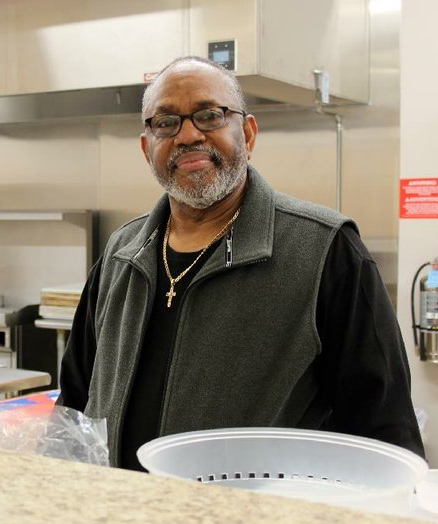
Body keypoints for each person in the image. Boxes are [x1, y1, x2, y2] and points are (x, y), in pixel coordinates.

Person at [56, 55, 425, 471]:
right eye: (166, 123)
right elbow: (74, 410)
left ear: (248, 134)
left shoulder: (327, 251)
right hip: (119, 523)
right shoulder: (121, 255)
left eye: (210, 115)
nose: (188, 135)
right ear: (147, 148)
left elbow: (385, 433)